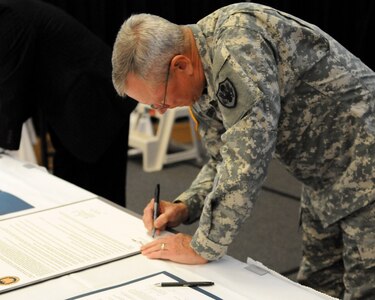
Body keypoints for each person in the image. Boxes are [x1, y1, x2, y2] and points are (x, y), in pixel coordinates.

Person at [111, 2, 375, 299]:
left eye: (159, 101)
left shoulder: (237, 45)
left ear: (180, 65)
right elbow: (224, 157)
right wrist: (186, 205)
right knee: (316, 288)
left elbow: (247, 159)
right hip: (321, 175)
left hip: (365, 164)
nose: (161, 110)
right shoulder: (198, 75)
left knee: (365, 289)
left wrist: (203, 246)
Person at [0, 0, 136, 206]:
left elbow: (9, 90)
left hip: (96, 106)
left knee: (100, 197)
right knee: (70, 191)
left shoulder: (9, 19)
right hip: (71, 108)